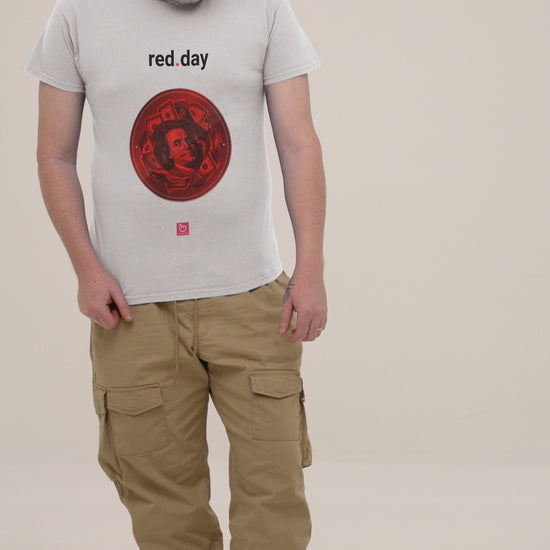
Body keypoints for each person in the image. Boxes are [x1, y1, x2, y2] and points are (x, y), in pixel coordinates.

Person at [24, 0, 327, 548]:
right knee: (165, 517)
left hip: (253, 298)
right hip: (132, 308)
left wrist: (311, 268)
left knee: (275, 507)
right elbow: (54, 155)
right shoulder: (77, 13)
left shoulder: (265, 8)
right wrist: (86, 269)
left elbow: (299, 142)